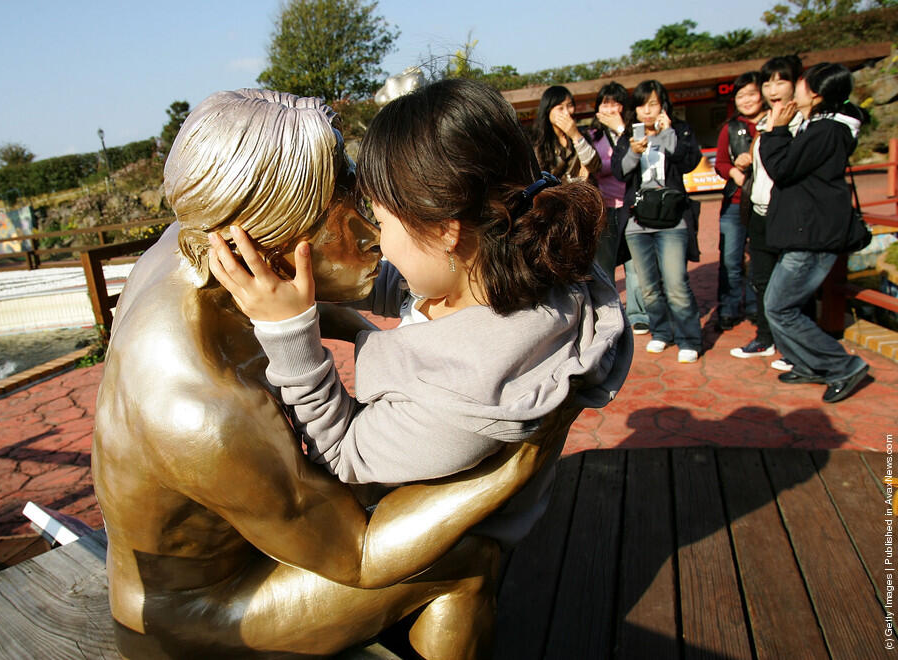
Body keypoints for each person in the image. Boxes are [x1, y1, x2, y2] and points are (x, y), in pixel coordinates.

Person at [93, 89, 592, 659]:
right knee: (465, 561)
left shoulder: (188, 249)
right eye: (348, 220)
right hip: (196, 620)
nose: (373, 233)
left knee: (413, 464)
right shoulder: (202, 409)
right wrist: (518, 458)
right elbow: (357, 554)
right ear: (260, 246)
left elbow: (293, 306)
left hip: (263, 528)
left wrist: (347, 330)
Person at [209, 79, 631, 517]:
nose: (377, 240)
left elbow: (344, 452)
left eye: (381, 219)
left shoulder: (468, 395)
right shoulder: (521, 269)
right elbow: (411, 286)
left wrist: (288, 334)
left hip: (431, 559)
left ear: (446, 231)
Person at [759, 62, 870, 403]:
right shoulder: (819, 127)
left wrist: (775, 131)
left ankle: (843, 366)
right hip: (808, 233)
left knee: (779, 307)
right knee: (779, 305)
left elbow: (781, 167)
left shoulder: (825, 132)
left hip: (813, 236)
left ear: (818, 93)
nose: (795, 90)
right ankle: (810, 365)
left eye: (801, 84)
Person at [611, 80, 703, 363]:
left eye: (653, 103)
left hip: (673, 220)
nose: (647, 110)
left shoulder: (679, 130)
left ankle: (689, 338)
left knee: (676, 283)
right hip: (639, 222)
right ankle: (661, 332)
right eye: (641, 104)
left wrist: (667, 135)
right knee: (648, 286)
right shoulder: (630, 136)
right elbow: (620, 172)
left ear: (663, 104)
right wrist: (634, 152)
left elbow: (688, 162)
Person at [731, 56, 805, 363]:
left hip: (788, 215)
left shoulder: (804, 123)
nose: (773, 89)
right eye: (768, 82)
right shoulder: (762, 125)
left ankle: (794, 348)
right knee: (760, 279)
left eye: (781, 81)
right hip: (760, 214)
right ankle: (765, 338)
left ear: (798, 84)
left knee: (790, 286)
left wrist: (781, 128)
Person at [586, 81, 649, 334]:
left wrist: (622, 131)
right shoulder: (592, 137)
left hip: (632, 207)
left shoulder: (635, 132)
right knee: (605, 265)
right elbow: (597, 168)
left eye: (616, 102)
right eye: (605, 102)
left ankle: (639, 314)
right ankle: (611, 315)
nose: (610, 107)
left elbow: (644, 163)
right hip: (606, 208)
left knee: (634, 266)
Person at [714, 71, 764, 330]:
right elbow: (720, 163)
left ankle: (757, 307)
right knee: (730, 260)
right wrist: (735, 171)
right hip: (735, 202)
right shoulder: (730, 128)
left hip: (764, 203)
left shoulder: (774, 124)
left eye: (751, 94)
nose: (746, 100)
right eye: (740, 95)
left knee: (759, 258)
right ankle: (730, 307)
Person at [532, 85, 602, 181]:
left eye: (569, 106)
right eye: (560, 108)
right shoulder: (539, 142)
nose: (567, 113)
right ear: (548, 111)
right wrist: (576, 182)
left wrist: (575, 135)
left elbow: (595, 166)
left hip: (584, 195)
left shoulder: (582, 135)